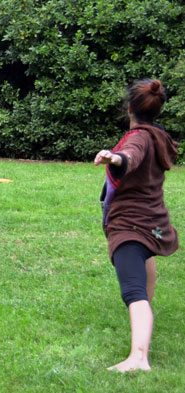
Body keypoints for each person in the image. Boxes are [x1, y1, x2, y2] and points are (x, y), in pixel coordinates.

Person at [93, 79, 178, 372]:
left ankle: (139, 357)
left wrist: (113, 157)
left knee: (133, 291)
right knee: (144, 266)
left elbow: (130, 156)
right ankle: (144, 323)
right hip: (154, 221)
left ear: (130, 108)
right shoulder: (158, 134)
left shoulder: (139, 137)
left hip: (132, 223)